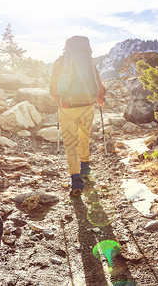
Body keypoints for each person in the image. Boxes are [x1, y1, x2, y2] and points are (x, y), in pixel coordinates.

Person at [50, 36, 106, 196]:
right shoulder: (89, 61)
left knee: (70, 143)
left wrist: (60, 100)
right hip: (87, 107)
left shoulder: (60, 62)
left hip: (67, 108)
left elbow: (53, 91)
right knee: (84, 137)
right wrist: (100, 99)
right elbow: (98, 85)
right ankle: (86, 167)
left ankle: (76, 180)